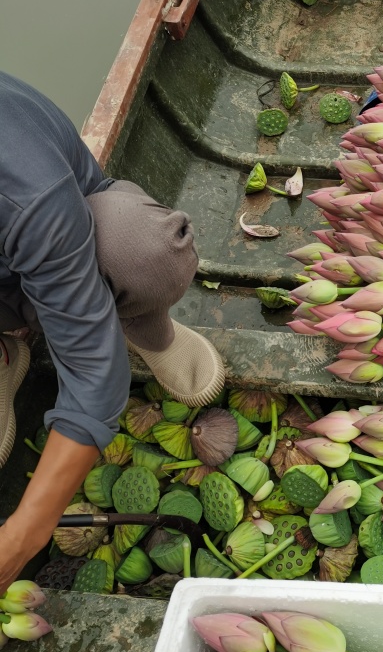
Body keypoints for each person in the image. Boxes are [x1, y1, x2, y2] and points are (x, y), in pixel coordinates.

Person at [0, 71, 225, 592]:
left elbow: (93, 377)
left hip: (79, 248)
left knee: (141, 252)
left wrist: (21, 537)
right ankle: (9, 346)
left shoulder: (21, 183)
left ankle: (132, 319)